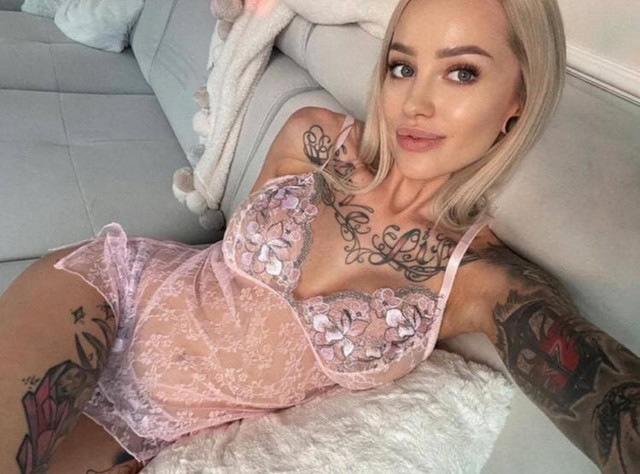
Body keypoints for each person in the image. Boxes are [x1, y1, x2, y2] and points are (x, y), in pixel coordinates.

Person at [1, 0, 638, 472]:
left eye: (461, 73)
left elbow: (607, 401)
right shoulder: (314, 137)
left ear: (518, 99)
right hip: (109, 294)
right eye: (401, 67)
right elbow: (227, 265)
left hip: (154, 429)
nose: (414, 103)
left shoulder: (485, 283)